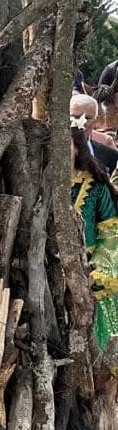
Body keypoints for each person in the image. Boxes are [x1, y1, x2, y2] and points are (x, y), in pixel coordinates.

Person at [71, 116, 118, 352]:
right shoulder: (42, 185)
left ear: (78, 149)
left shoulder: (95, 186)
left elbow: (110, 233)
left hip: (90, 272)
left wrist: (101, 272)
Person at [71, 93, 118, 174]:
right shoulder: (49, 152)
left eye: (87, 118)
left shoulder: (110, 155)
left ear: (95, 121)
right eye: (76, 117)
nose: (82, 123)